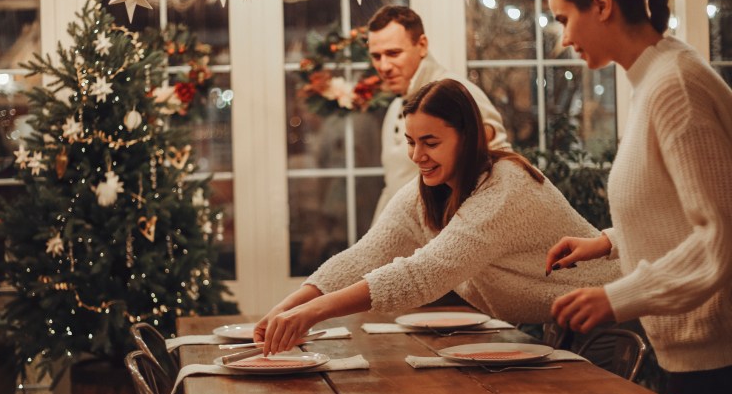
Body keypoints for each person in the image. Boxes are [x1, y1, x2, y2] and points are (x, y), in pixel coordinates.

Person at [543, 0, 732, 394]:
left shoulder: (675, 85)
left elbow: (720, 235)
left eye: (565, 18)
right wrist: (607, 242)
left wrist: (615, 297)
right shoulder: (654, 79)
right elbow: (675, 204)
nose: (564, 38)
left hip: (719, 367)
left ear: (602, 4)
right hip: (695, 360)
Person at [255, 78, 620, 356]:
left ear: (468, 137)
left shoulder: (505, 186)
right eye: (411, 142)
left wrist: (314, 312)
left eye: (430, 143)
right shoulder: (427, 190)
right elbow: (365, 255)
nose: (417, 155)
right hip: (557, 322)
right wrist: (288, 306)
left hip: (611, 319)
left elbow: (423, 274)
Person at [367, 6, 510, 221]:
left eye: (393, 53)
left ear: (422, 45)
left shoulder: (457, 93)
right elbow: (393, 189)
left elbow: (499, 168)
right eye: (376, 56)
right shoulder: (394, 109)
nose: (384, 66)